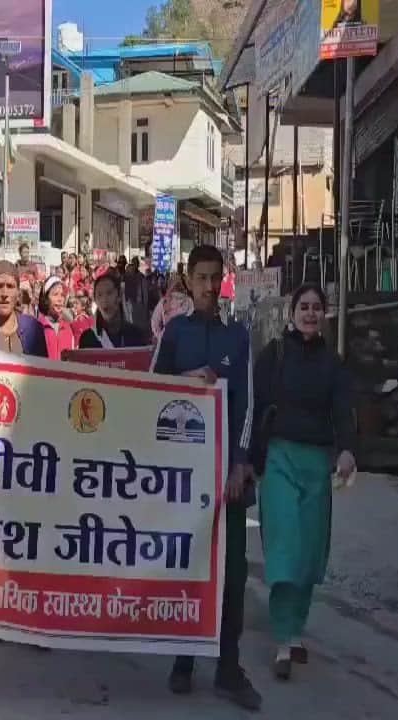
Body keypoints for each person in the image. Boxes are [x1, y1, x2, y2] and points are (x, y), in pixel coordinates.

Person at [150, 243, 261, 711]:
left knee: (232, 574)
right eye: (201, 278)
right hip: (183, 481)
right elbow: (148, 393)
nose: (210, 287)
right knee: (187, 569)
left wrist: (239, 461)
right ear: (188, 280)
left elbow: (248, 404)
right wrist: (182, 382)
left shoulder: (239, 337)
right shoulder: (174, 334)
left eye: (216, 278)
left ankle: (229, 667)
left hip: (229, 479)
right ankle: (183, 658)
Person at [252, 282, 357, 680]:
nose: (310, 313)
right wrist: (248, 461)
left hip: (317, 463)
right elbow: (255, 405)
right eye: (304, 306)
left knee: (310, 551)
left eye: (317, 307)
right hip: (278, 458)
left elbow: (344, 410)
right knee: (285, 546)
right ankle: (282, 640)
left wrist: (347, 450)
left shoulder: (334, 363)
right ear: (292, 312)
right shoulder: (273, 355)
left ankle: (295, 632)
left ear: (324, 314)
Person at [78, 272, 152, 349]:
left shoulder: (136, 335)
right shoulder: (87, 339)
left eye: (109, 293)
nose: (104, 300)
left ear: (119, 295)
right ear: (95, 300)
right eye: (99, 295)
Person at [37, 276, 76, 361]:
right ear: (46, 298)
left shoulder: (68, 328)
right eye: (55, 294)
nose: (60, 299)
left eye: (62, 295)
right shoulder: (37, 328)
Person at [151, 273, 195, 344]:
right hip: (184, 340)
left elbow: (154, 322)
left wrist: (159, 336)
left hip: (167, 339)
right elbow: (193, 321)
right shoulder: (189, 301)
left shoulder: (164, 301)